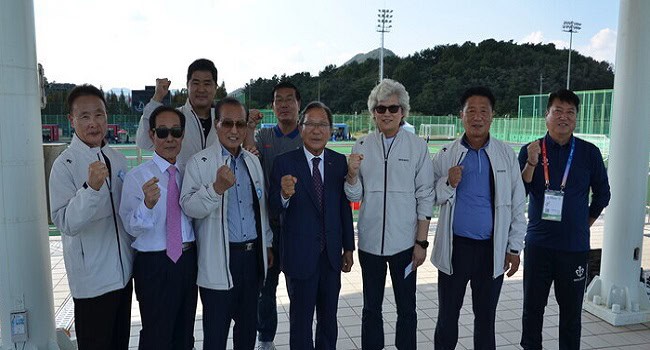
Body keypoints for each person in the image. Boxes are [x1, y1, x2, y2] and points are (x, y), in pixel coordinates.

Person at [430, 86, 526, 350]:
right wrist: (448, 183)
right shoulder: (447, 153)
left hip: (491, 250)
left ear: (492, 116)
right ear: (461, 116)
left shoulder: (505, 153)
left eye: (483, 111)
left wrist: (514, 247)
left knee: (485, 320)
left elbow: (518, 203)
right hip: (455, 249)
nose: (477, 117)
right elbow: (430, 195)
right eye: (471, 111)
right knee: (447, 318)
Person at [344, 79, 434, 350]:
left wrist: (420, 243)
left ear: (402, 111)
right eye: (380, 109)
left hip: (405, 245)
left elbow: (425, 196)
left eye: (392, 108)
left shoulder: (417, 146)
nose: (386, 114)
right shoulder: (362, 145)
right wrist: (352, 175)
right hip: (370, 244)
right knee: (371, 307)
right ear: (373, 112)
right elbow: (354, 196)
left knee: (407, 308)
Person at [519, 89, 611, 350]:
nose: (564, 117)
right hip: (538, 246)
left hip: (574, 248)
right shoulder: (532, 150)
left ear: (576, 119)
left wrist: (585, 225)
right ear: (546, 116)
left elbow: (603, 195)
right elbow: (518, 194)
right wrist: (532, 164)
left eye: (570, 112)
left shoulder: (589, 153)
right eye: (557, 111)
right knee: (532, 310)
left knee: (571, 315)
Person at [180, 97, 273, 350]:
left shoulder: (252, 161)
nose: (234, 130)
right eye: (227, 123)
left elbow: (260, 209)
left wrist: (267, 243)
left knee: (246, 333)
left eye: (240, 124)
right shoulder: (200, 163)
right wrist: (216, 189)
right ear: (216, 124)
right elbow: (188, 206)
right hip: (219, 260)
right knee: (215, 334)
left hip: (251, 260)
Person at [49, 84, 134, 350]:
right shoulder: (64, 165)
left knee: (119, 343)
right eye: (84, 116)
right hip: (92, 284)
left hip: (123, 277)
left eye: (99, 115)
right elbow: (65, 223)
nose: (93, 123)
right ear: (71, 120)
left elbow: (127, 214)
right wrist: (91, 189)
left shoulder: (117, 159)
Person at [269, 102, 355, 349]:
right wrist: (284, 195)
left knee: (329, 321)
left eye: (323, 125)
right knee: (300, 323)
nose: (317, 130)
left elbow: (343, 207)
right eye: (311, 124)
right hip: (299, 257)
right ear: (300, 127)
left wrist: (348, 247)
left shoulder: (339, 163)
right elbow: (273, 209)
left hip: (330, 257)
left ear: (330, 130)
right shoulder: (284, 162)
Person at [119, 106, 198, 349]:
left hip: (186, 260)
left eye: (176, 131)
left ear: (183, 135)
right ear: (152, 135)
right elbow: (131, 226)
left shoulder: (188, 174)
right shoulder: (137, 177)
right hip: (154, 264)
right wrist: (147, 205)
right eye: (162, 132)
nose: (170, 138)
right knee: (156, 334)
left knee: (185, 333)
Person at [244, 81, 303, 350]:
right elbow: (246, 152)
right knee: (265, 291)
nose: (284, 104)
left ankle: (300, 339)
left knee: (298, 289)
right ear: (272, 106)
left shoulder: (306, 137)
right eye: (279, 100)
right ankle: (265, 339)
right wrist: (250, 126)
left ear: (298, 105)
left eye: (290, 99)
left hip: (299, 229)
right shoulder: (265, 137)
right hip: (268, 227)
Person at [136, 58, 219, 169]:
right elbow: (144, 142)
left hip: (219, 186)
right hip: (180, 186)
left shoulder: (225, 121)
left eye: (207, 84)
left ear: (215, 87)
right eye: (196, 83)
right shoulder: (175, 118)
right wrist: (157, 98)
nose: (201, 89)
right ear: (187, 86)